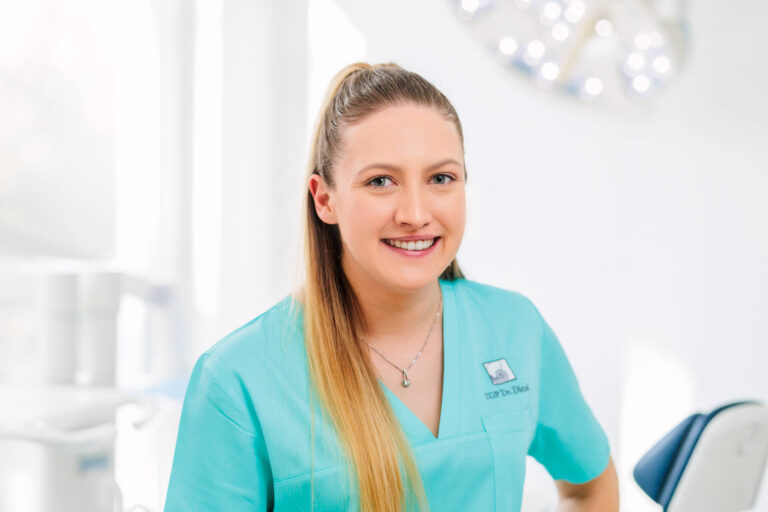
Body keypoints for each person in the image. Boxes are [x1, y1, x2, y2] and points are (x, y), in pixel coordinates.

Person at [164, 62, 620, 511]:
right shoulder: (236, 381)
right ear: (325, 200)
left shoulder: (514, 327)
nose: (415, 214)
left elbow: (589, 487)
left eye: (440, 178)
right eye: (381, 181)